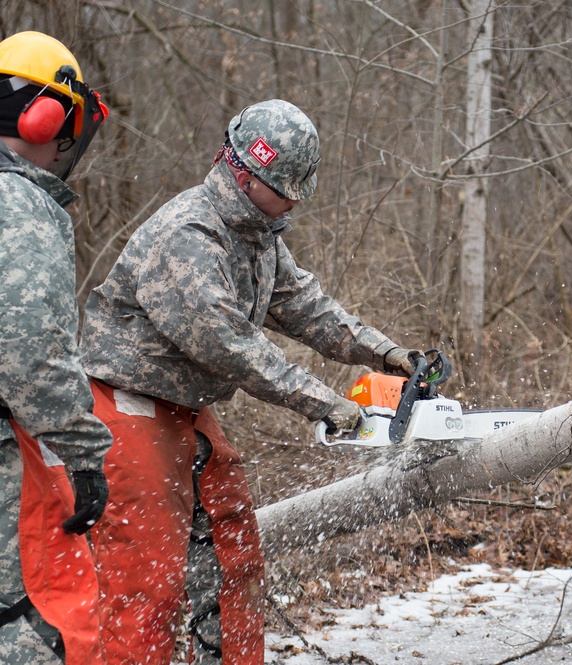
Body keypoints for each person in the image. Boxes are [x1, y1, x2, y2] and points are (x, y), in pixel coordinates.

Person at [81, 99, 421, 664]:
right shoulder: (188, 236)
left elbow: (308, 307)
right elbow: (230, 346)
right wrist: (322, 402)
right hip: (128, 409)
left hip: (189, 412)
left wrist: (385, 353)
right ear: (245, 172)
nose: (293, 200)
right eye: (285, 188)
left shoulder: (258, 235)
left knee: (233, 549)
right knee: (147, 579)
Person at [0, 31, 112, 665]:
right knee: (36, 619)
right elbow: (32, 349)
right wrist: (83, 451)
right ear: (44, 117)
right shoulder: (18, 203)